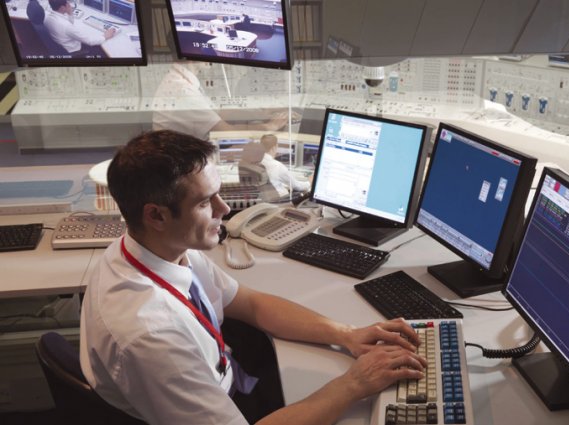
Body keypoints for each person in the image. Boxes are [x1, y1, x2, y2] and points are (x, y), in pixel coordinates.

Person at [80, 129, 426, 425]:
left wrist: (348, 334)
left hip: (225, 373)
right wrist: (354, 383)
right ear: (156, 215)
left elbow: (252, 305)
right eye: (205, 203)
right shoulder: (149, 335)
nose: (224, 209)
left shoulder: (156, 247)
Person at [152, 62, 290, 141]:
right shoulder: (182, 91)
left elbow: (218, 113)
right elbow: (226, 132)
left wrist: (262, 114)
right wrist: (269, 127)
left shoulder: (182, 80)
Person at [43, 0, 116, 54]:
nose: (69, 5)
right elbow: (90, 41)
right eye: (68, 3)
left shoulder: (47, 17)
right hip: (74, 49)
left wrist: (70, 13)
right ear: (62, 8)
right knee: (101, 49)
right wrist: (105, 36)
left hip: (61, 45)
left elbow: (68, 24)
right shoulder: (66, 26)